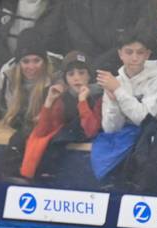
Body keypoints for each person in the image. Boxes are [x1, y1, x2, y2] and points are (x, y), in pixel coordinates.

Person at [10, 50, 103, 182]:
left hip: (86, 137)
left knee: (60, 136)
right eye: (71, 74)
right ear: (65, 79)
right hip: (62, 139)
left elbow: (90, 130)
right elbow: (43, 129)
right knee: (30, 136)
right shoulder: (63, 97)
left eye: (81, 73)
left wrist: (82, 102)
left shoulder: (97, 96)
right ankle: (24, 175)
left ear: (89, 76)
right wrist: (48, 103)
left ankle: (40, 176)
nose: (77, 78)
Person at [0, 29, 58, 128]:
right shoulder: (8, 71)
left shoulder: (55, 73)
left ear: (44, 61)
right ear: (18, 62)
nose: (31, 67)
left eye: (37, 61)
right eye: (25, 61)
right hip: (13, 124)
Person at [99, 29, 157, 134]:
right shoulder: (115, 82)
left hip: (151, 137)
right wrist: (114, 102)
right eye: (129, 52)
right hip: (123, 138)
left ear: (147, 55)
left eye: (140, 52)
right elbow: (110, 129)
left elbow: (144, 120)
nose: (135, 58)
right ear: (120, 54)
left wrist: (118, 91)